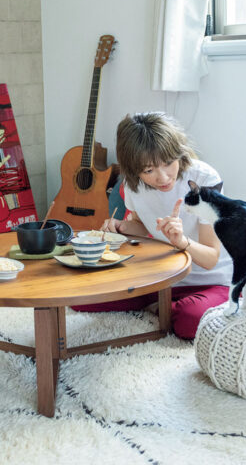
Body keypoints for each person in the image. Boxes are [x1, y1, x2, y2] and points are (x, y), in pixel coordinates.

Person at [73, 112, 231, 340]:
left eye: (168, 163)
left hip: (211, 281)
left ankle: (160, 307)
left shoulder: (204, 179)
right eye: (149, 170)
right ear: (134, 170)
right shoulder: (132, 184)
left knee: (189, 322)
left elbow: (210, 258)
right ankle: (162, 304)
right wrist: (121, 227)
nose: (163, 177)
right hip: (160, 276)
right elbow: (139, 225)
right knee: (82, 299)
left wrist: (182, 242)